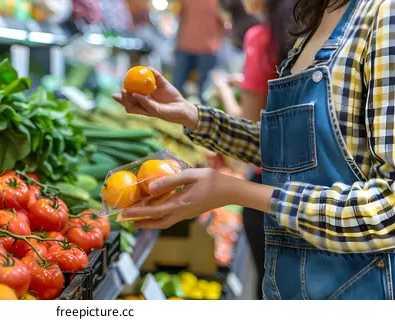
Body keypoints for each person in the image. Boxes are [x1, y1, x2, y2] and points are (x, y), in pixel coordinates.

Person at [113, 0, 395, 300]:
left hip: (357, 290)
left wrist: (238, 191)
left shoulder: (382, 17)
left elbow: (389, 209)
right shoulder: (316, 19)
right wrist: (193, 117)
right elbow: (295, 153)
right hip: (292, 285)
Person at [212, 0, 297, 300]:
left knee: (270, 289)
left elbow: (250, 127)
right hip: (312, 189)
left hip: (268, 191)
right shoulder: (306, 35)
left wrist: (223, 89)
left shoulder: (262, 38)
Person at [173, 0, 224, 103]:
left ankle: (203, 114)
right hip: (188, 45)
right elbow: (181, 19)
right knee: (178, 83)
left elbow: (223, 23)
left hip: (205, 47)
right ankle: (172, 107)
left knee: (204, 88)